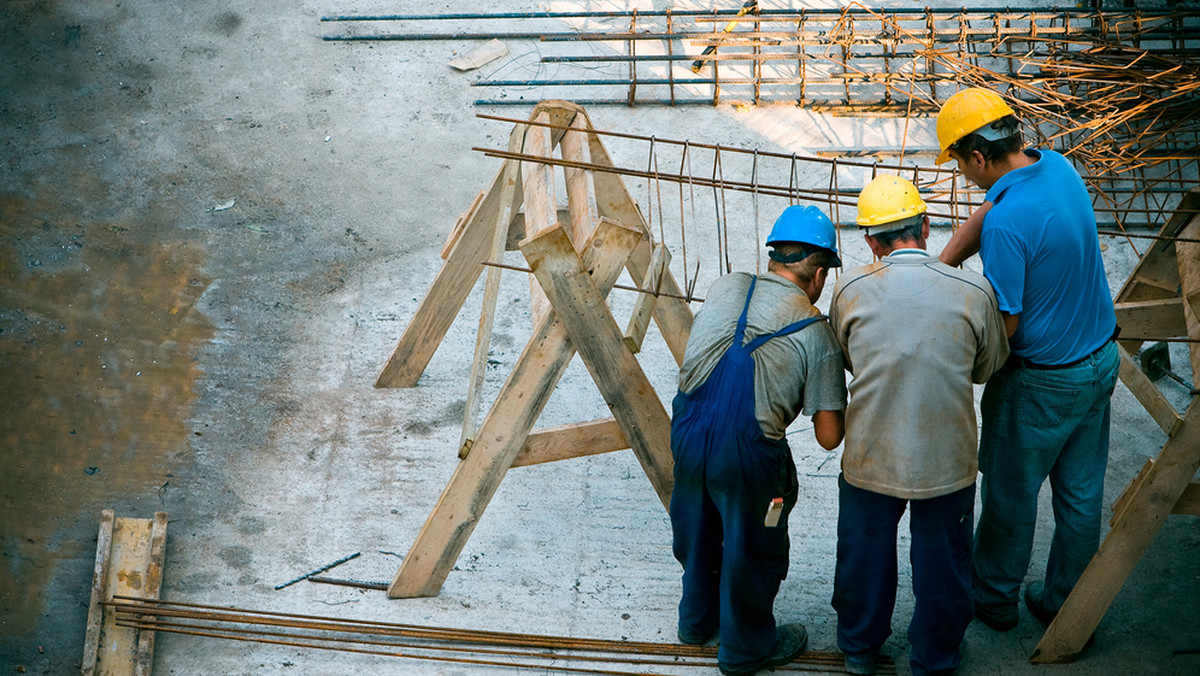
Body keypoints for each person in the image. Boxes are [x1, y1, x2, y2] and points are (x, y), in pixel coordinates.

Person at [935, 86, 1120, 635]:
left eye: (960, 165)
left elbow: (1005, 326)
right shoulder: (1056, 166)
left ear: (976, 157)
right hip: (1099, 360)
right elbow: (990, 209)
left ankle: (992, 600)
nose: (963, 176)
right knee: (1082, 496)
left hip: (1042, 383)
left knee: (1010, 497)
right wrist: (940, 268)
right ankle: (1065, 601)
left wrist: (964, 360)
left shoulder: (1009, 227)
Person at [828, 175, 1009, 675]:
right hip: (945, 458)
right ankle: (936, 657)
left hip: (871, 454)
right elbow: (985, 366)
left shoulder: (850, 289)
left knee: (864, 556)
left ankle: (860, 649)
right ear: (927, 226)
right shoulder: (974, 289)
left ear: (870, 241)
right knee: (944, 564)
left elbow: (847, 358)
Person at [670, 204, 847, 676]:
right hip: (747, 455)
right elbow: (829, 438)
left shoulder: (726, 285)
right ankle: (745, 651)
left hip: (687, 428)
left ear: (773, 257)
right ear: (819, 275)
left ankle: (695, 623)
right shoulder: (815, 331)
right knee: (751, 547)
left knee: (698, 524)